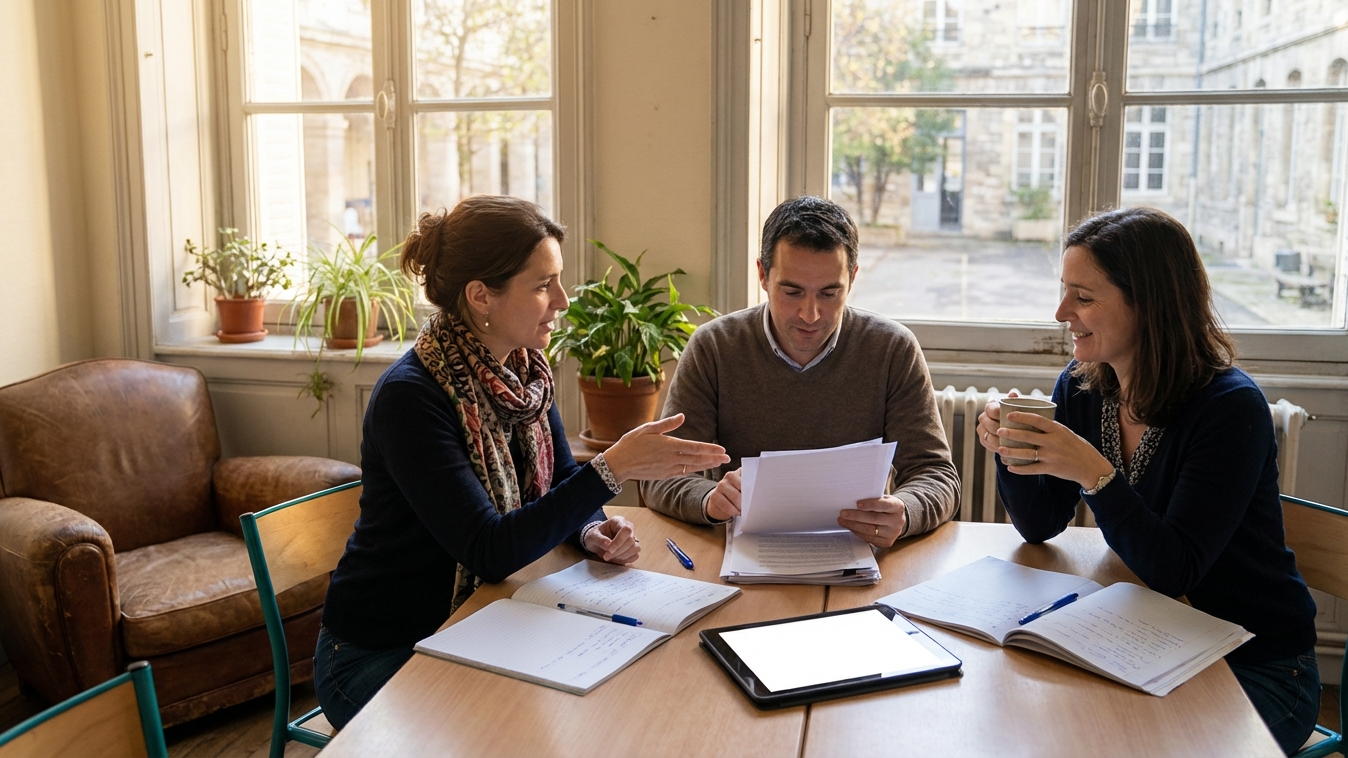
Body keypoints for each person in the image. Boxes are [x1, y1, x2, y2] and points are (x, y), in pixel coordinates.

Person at [315, 196, 730, 728]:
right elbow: (489, 549)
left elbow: (557, 481)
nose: (562, 300)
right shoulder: (410, 398)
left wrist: (590, 531)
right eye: (542, 285)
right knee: (519, 731)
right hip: (379, 652)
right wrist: (612, 469)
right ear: (480, 297)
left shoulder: (524, 377)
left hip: (482, 621)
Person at [975, 207, 1318, 754]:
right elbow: (1039, 525)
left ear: (1148, 306)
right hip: (1152, 641)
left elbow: (1172, 568)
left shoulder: (1230, 409)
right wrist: (1010, 449)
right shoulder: (1085, 384)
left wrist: (1093, 471)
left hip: (1257, 665)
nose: (1062, 312)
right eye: (1064, 291)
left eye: (1083, 297)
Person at [641, 196, 959, 546]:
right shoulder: (714, 347)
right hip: (745, 552)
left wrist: (905, 510)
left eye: (829, 293)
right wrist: (708, 499)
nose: (810, 314)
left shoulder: (891, 349)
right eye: (792, 292)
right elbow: (661, 475)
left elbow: (936, 475)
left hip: (856, 553)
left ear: (852, 278)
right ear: (762, 274)